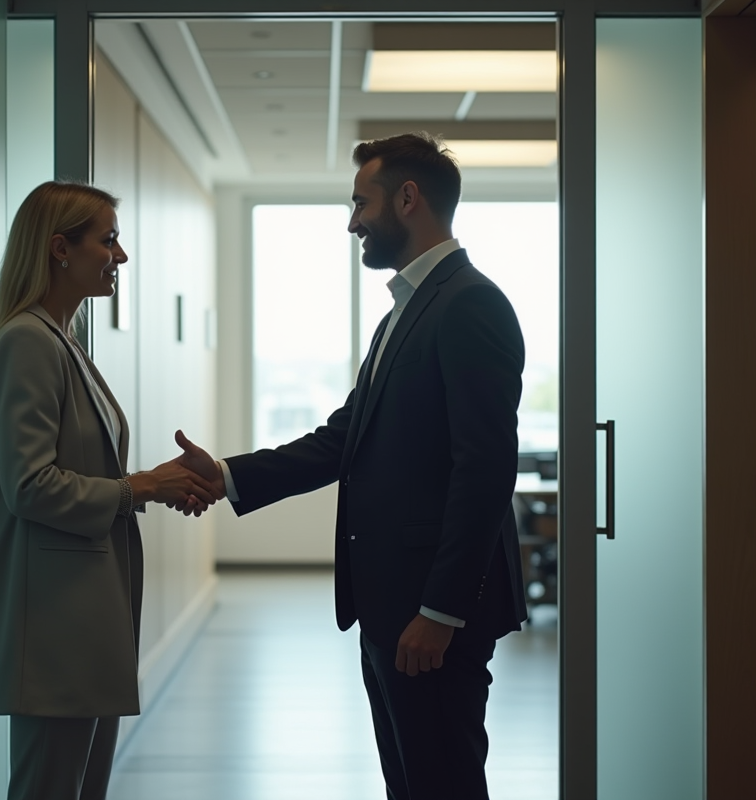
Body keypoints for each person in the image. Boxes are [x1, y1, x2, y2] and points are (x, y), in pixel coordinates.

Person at [177, 133, 528, 800]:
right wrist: (223, 475)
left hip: (431, 614)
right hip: (392, 606)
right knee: (412, 779)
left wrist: (442, 612)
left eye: (359, 203)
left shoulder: (468, 304)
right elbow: (346, 438)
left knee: (442, 781)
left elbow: (483, 471)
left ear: (407, 198)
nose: (352, 221)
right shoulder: (409, 309)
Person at [0, 181, 220, 800]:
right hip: (53, 623)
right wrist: (140, 487)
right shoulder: (28, 341)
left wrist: (156, 486)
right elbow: (29, 487)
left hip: (84, 616)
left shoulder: (62, 341)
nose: (121, 256)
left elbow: (87, 471)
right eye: (108, 240)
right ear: (60, 248)